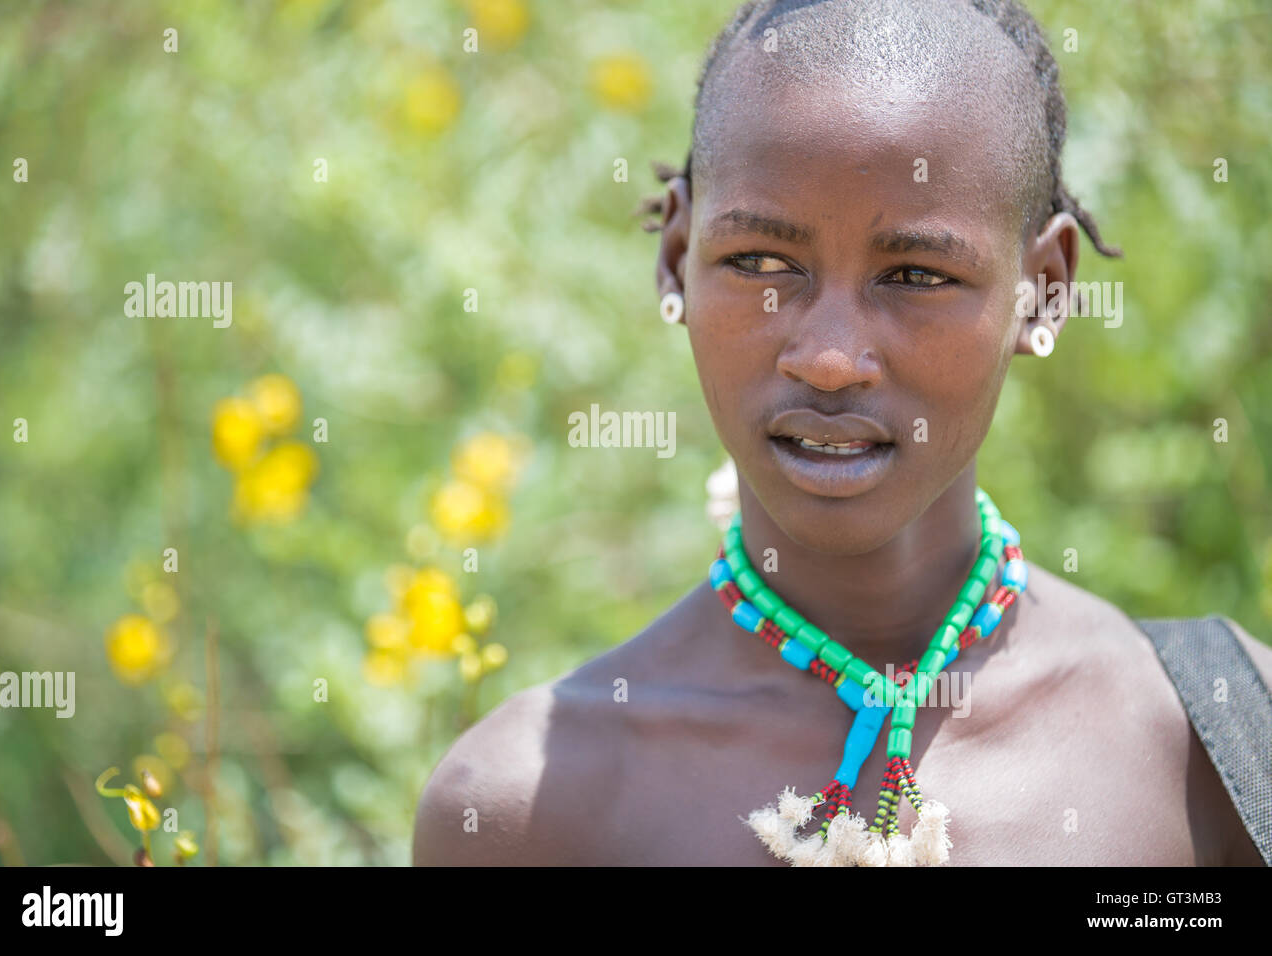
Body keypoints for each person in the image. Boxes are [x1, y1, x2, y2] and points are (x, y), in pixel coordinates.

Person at [413, 0, 1272, 865]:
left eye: (916, 273)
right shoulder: (524, 811)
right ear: (676, 257)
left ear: (1041, 289)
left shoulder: (1214, 740)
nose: (829, 360)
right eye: (758, 263)